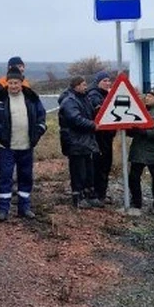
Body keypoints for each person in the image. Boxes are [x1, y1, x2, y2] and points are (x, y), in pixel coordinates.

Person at [0, 65, 47, 221]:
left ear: (21, 83)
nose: (13, 86)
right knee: (5, 177)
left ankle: (24, 208)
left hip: (26, 146)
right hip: (7, 147)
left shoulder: (32, 97)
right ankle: (2, 210)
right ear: (7, 83)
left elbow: (41, 116)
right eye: (11, 83)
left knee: (26, 177)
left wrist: (39, 130)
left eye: (16, 83)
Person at [58, 76, 101, 209]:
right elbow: (75, 119)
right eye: (83, 84)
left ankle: (89, 194)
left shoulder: (84, 98)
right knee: (78, 170)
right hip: (74, 140)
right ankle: (78, 196)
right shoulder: (69, 101)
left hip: (85, 140)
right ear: (76, 86)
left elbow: (89, 113)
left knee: (88, 169)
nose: (85, 87)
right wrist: (93, 125)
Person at [127, 87, 154, 215]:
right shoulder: (140, 111)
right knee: (133, 177)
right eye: (146, 95)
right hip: (139, 149)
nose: (147, 98)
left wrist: (145, 132)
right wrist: (131, 130)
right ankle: (136, 202)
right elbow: (132, 126)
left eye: (151, 96)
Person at [87, 70, 114, 203]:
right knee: (99, 166)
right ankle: (97, 195)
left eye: (109, 80)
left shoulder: (105, 95)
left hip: (107, 137)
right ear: (98, 82)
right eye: (104, 81)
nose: (108, 83)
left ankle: (102, 194)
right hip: (99, 138)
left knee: (105, 165)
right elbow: (101, 115)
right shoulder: (94, 95)